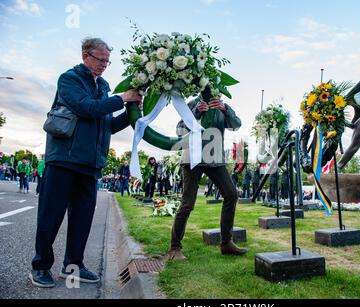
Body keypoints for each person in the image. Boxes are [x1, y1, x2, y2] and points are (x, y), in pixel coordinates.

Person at [29, 37, 142, 288]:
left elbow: (107, 125)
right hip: (64, 160)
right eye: (100, 59)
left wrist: (131, 111)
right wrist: (121, 98)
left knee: (82, 219)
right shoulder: (69, 79)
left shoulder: (103, 86)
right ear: (85, 56)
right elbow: (85, 108)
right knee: (50, 217)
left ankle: (74, 266)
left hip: (90, 165)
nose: (103, 65)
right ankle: (41, 266)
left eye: (107, 61)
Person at [167, 87, 247, 260]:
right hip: (192, 159)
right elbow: (180, 129)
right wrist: (196, 112)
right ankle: (174, 248)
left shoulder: (221, 106)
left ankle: (226, 243)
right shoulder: (193, 103)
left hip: (215, 158)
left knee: (231, 194)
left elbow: (236, 124)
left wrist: (225, 109)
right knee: (187, 203)